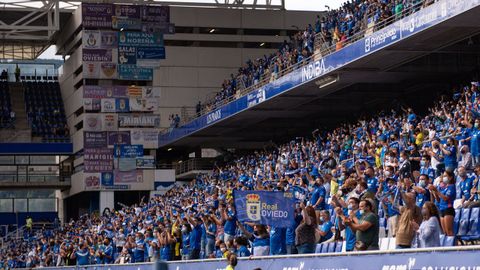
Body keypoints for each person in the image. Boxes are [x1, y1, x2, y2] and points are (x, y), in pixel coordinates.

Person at [429, 171, 456, 236]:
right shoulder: (444, 188)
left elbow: (446, 198)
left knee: (449, 231)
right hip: (441, 209)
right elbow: (438, 200)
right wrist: (433, 192)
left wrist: (436, 190)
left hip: (448, 209)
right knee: (445, 232)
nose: (444, 178)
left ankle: (454, 245)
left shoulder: (452, 186)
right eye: (443, 176)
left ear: (450, 177)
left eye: (445, 176)